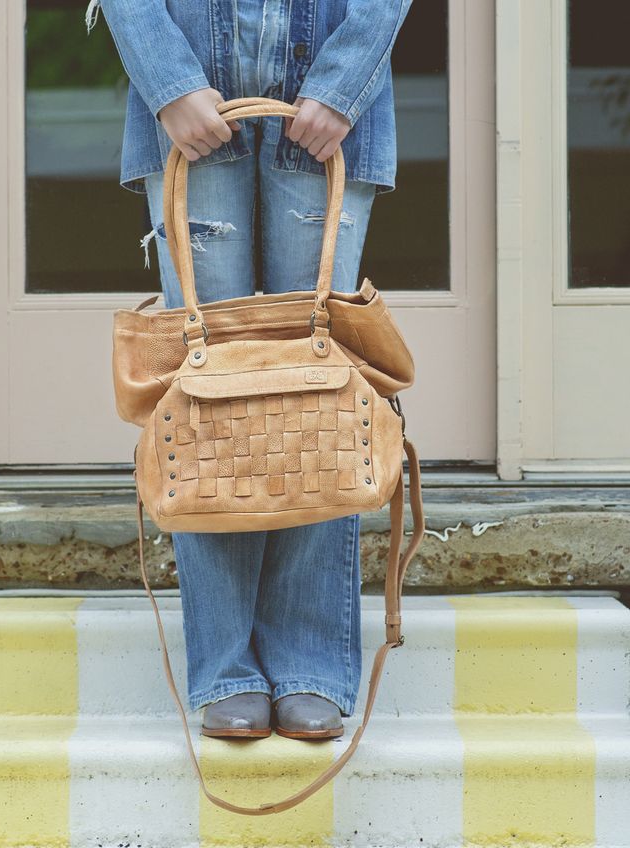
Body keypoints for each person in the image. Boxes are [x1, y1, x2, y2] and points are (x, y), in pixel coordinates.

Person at [87, 0, 413, 739]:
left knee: (316, 386)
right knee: (211, 399)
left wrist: (342, 84)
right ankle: (225, 667)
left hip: (328, 108)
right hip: (189, 111)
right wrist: (168, 83)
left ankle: (310, 665)